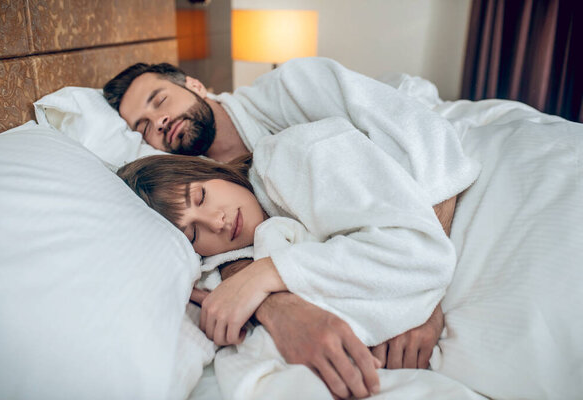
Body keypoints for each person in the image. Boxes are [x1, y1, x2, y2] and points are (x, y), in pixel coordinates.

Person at [103, 58, 476, 398]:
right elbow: (230, 249)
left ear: (195, 86)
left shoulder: (290, 92)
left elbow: (427, 138)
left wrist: (426, 299)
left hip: (443, 189)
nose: (159, 122)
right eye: (144, 126)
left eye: (159, 101)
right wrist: (269, 299)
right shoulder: (179, 182)